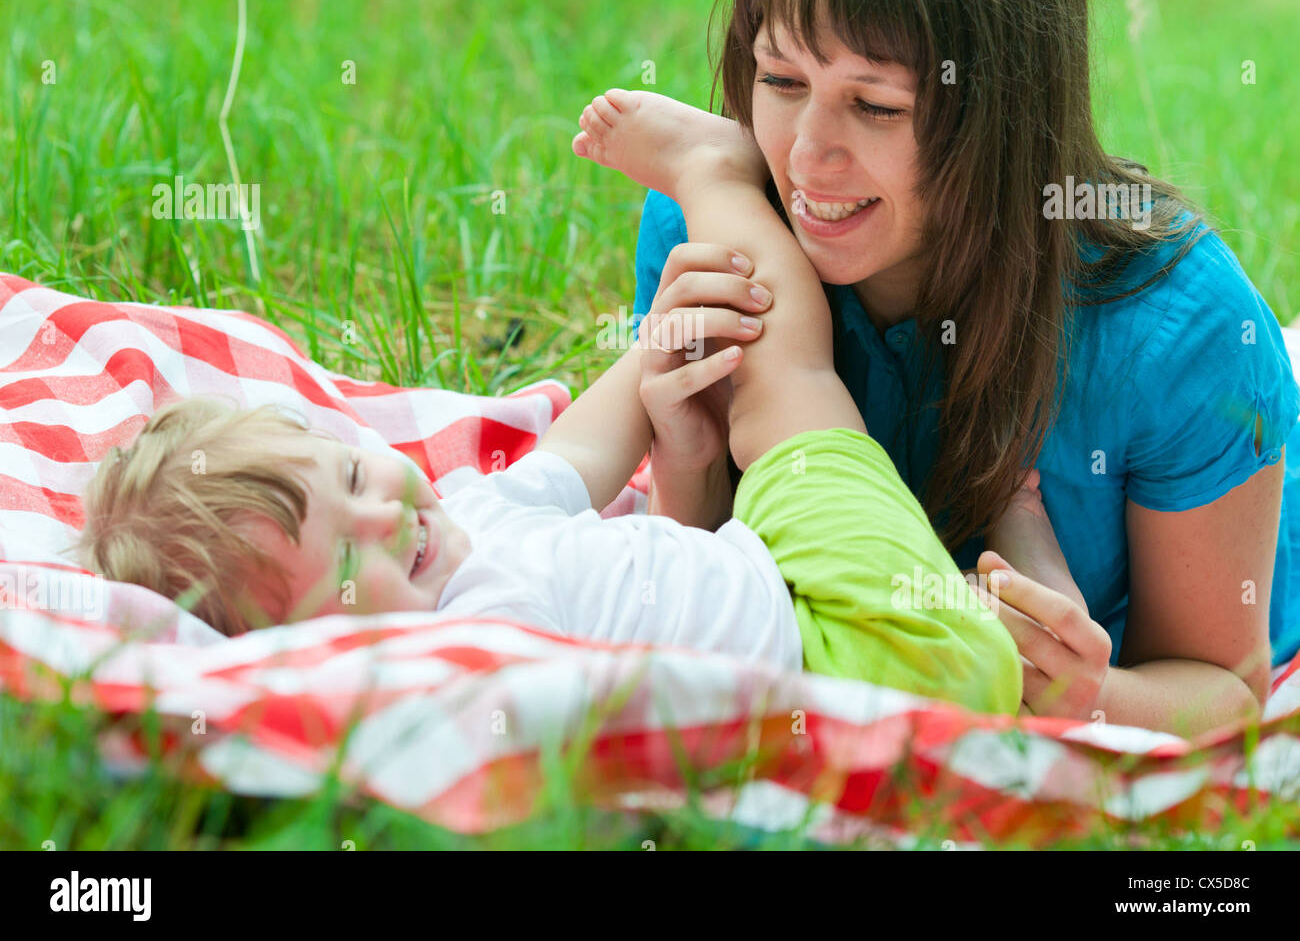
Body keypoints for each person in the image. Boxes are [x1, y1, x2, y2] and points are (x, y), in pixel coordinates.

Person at [629, 0, 1300, 737]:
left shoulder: (1181, 330)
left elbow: (1226, 687)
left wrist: (1085, 695)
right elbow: (727, 578)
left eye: (876, 106)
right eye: (781, 79)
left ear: (1005, 113)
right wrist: (686, 458)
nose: (805, 155)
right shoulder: (713, 223)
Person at [75, 99, 1030, 714]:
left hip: (798, 580)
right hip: (849, 660)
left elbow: (582, 445)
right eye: (346, 554)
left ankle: (717, 179)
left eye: (358, 476)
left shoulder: (475, 514)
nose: (387, 514)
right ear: (308, 645)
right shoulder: (455, 664)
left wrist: (661, 340)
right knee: (794, 389)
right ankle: (715, 173)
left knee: (762, 365)